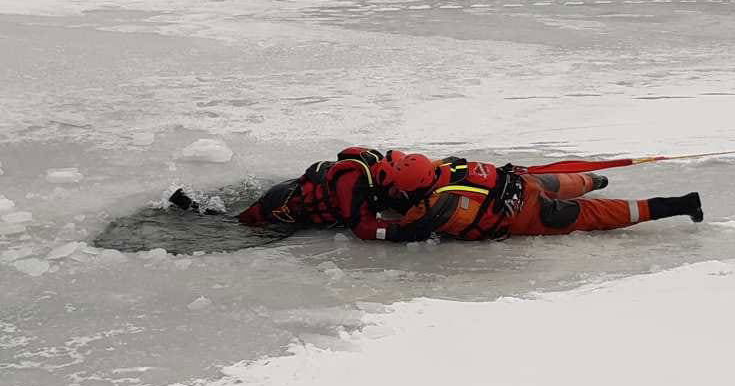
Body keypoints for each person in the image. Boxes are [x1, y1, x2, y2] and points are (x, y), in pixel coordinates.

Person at [371, 153, 703, 242]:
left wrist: (369, 226)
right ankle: (595, 179)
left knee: (605, 214)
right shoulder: (448, 167)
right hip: (523, 181)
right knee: (566, 181)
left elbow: (404, 231)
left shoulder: (434, 205)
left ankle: (683, 203)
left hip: (530, 215)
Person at [171, 147, 411, 240]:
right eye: (396, 188)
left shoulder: (379, 171)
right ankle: (184, 206)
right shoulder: (353, 182)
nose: (397, 193)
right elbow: (363, 228)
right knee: (232, 225)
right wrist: (409, 229)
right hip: (280, 206)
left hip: (291, 191)